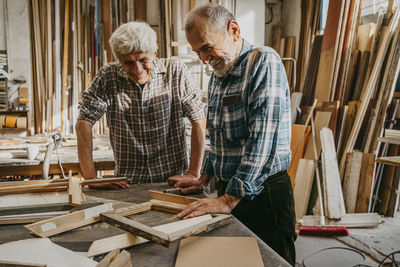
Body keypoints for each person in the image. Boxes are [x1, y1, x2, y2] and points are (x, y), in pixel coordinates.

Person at [167, 3, 296, 265]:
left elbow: (262, 141)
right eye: (197, 52)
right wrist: (204, 177)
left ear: (234, 30)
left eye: (206, 48)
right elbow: (218, 136)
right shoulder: (218, 75)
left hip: (264, 193)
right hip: (231, 189)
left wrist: (228, 199)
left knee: (272, 261)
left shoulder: (263, 62)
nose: (203, 59)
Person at [76, 21, 206, 189]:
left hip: (173, 180)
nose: (137, 70)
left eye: (143, 60)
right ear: (119, 59)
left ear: (154, 53)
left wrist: (193, 173)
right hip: (128, 184)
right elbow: (83, 123)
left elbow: (199, 119)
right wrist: (92, 177)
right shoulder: (108, 77)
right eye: (128, 63)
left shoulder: (176, 71)